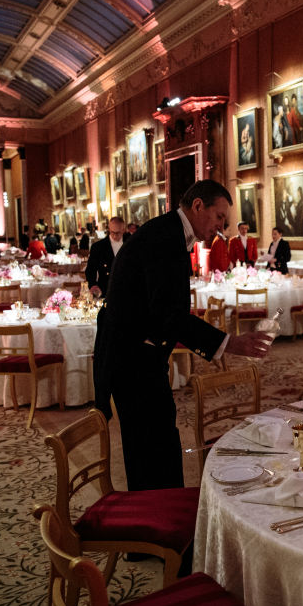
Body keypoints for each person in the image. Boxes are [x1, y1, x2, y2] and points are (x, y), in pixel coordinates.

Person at [93, 180, 271, 491]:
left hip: (139, 356)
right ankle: (157, 522)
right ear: (198, 205)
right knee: (150, 448)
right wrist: (230, 343)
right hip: (132, 361)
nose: (220, 227)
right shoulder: (165, 237)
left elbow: (164, 312)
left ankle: (161, 514)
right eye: (219, 217)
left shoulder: (169, 232)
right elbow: (169, 316)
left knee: (157, 443)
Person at [85, 216, 125, 297]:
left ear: (123, 230)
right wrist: (93, 284)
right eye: (112, 232)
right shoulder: (98, 247)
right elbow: (90, 269)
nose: (114, 236)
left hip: (127, 288)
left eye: (118, 233)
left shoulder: (130, 244)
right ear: (109, 229)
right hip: (106, 289)